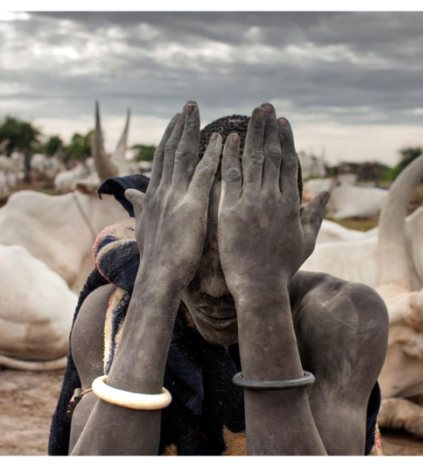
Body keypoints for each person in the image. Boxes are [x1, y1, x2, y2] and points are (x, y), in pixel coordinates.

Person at [48, 102, 389, 458]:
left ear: (303, 233)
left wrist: (262, 290)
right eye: (194, 255)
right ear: (153, 234)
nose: (214, 288)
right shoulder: (109, 313)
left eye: (238, 258)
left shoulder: (342, 317)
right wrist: (158, 280)